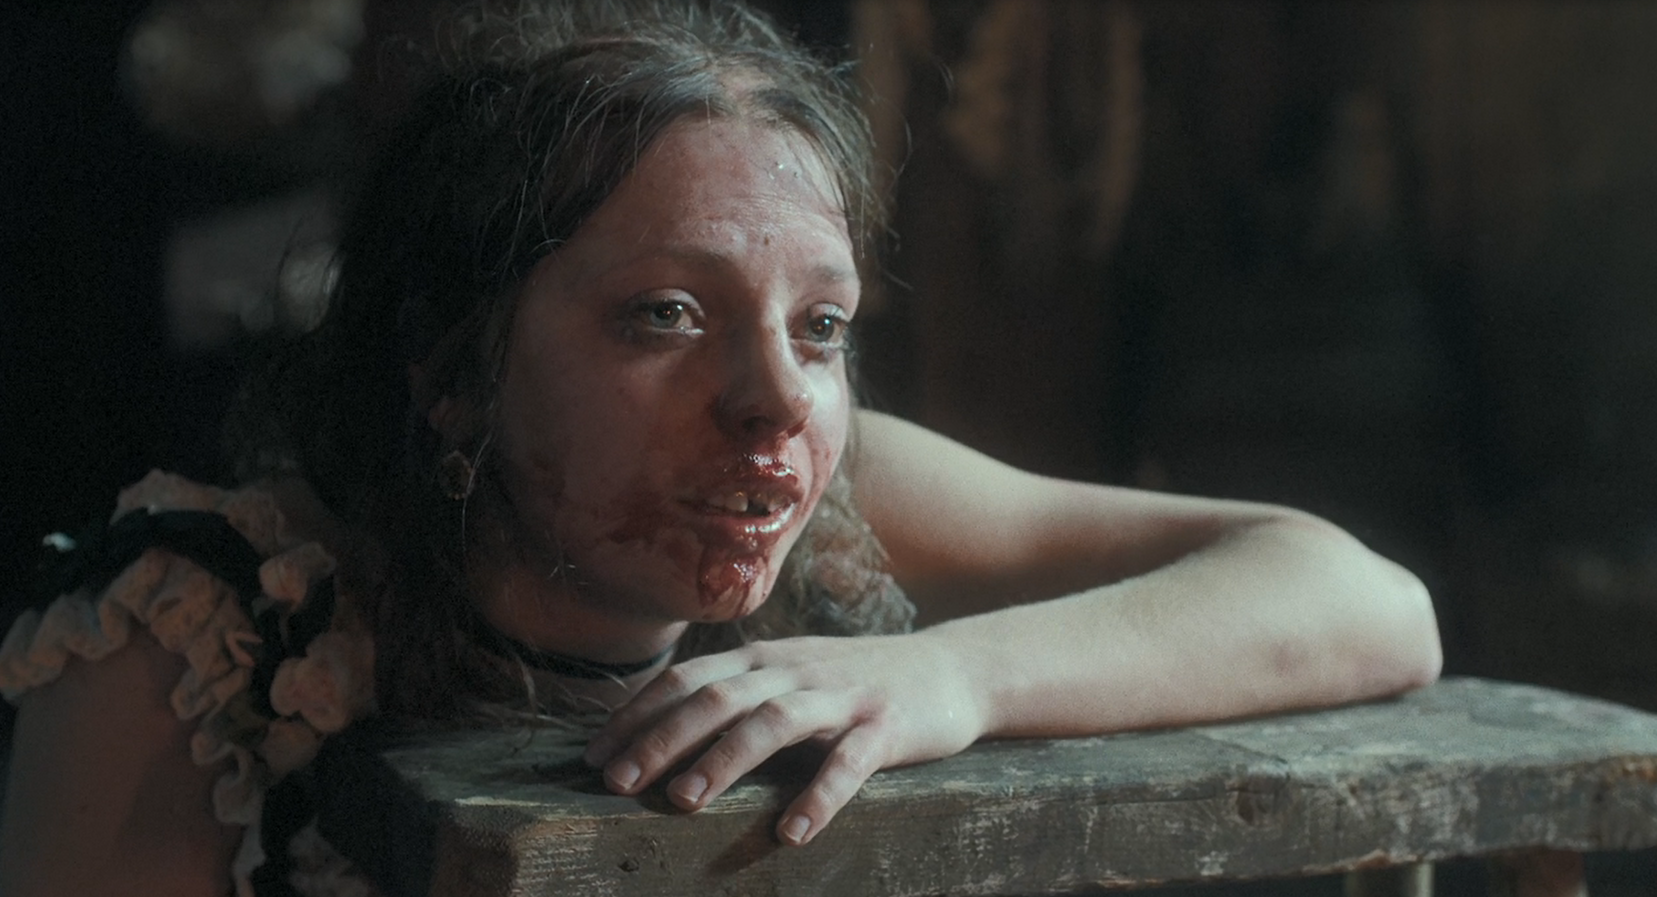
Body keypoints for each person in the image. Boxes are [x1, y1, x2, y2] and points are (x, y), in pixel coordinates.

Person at [0, 1, 1443, 894]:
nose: (775, 403)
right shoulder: (203, 641)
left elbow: (1366, 601)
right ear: (452, 371)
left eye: (822, 327)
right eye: (667, 315)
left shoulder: (833, 488)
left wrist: (947, 676)